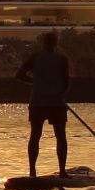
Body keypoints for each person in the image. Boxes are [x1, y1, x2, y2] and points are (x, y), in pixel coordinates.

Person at [15, 32, 70, 178]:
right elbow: (66, 83)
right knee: (61, 136)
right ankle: (62, 171)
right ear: (55, 43)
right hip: (56, 103)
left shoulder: (35, 58)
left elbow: (19, 75)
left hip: (38, 102)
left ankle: (32, 171)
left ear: (43, 43)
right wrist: (57, 92)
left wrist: (36, 83)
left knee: (35, 135)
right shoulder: (62, 59)